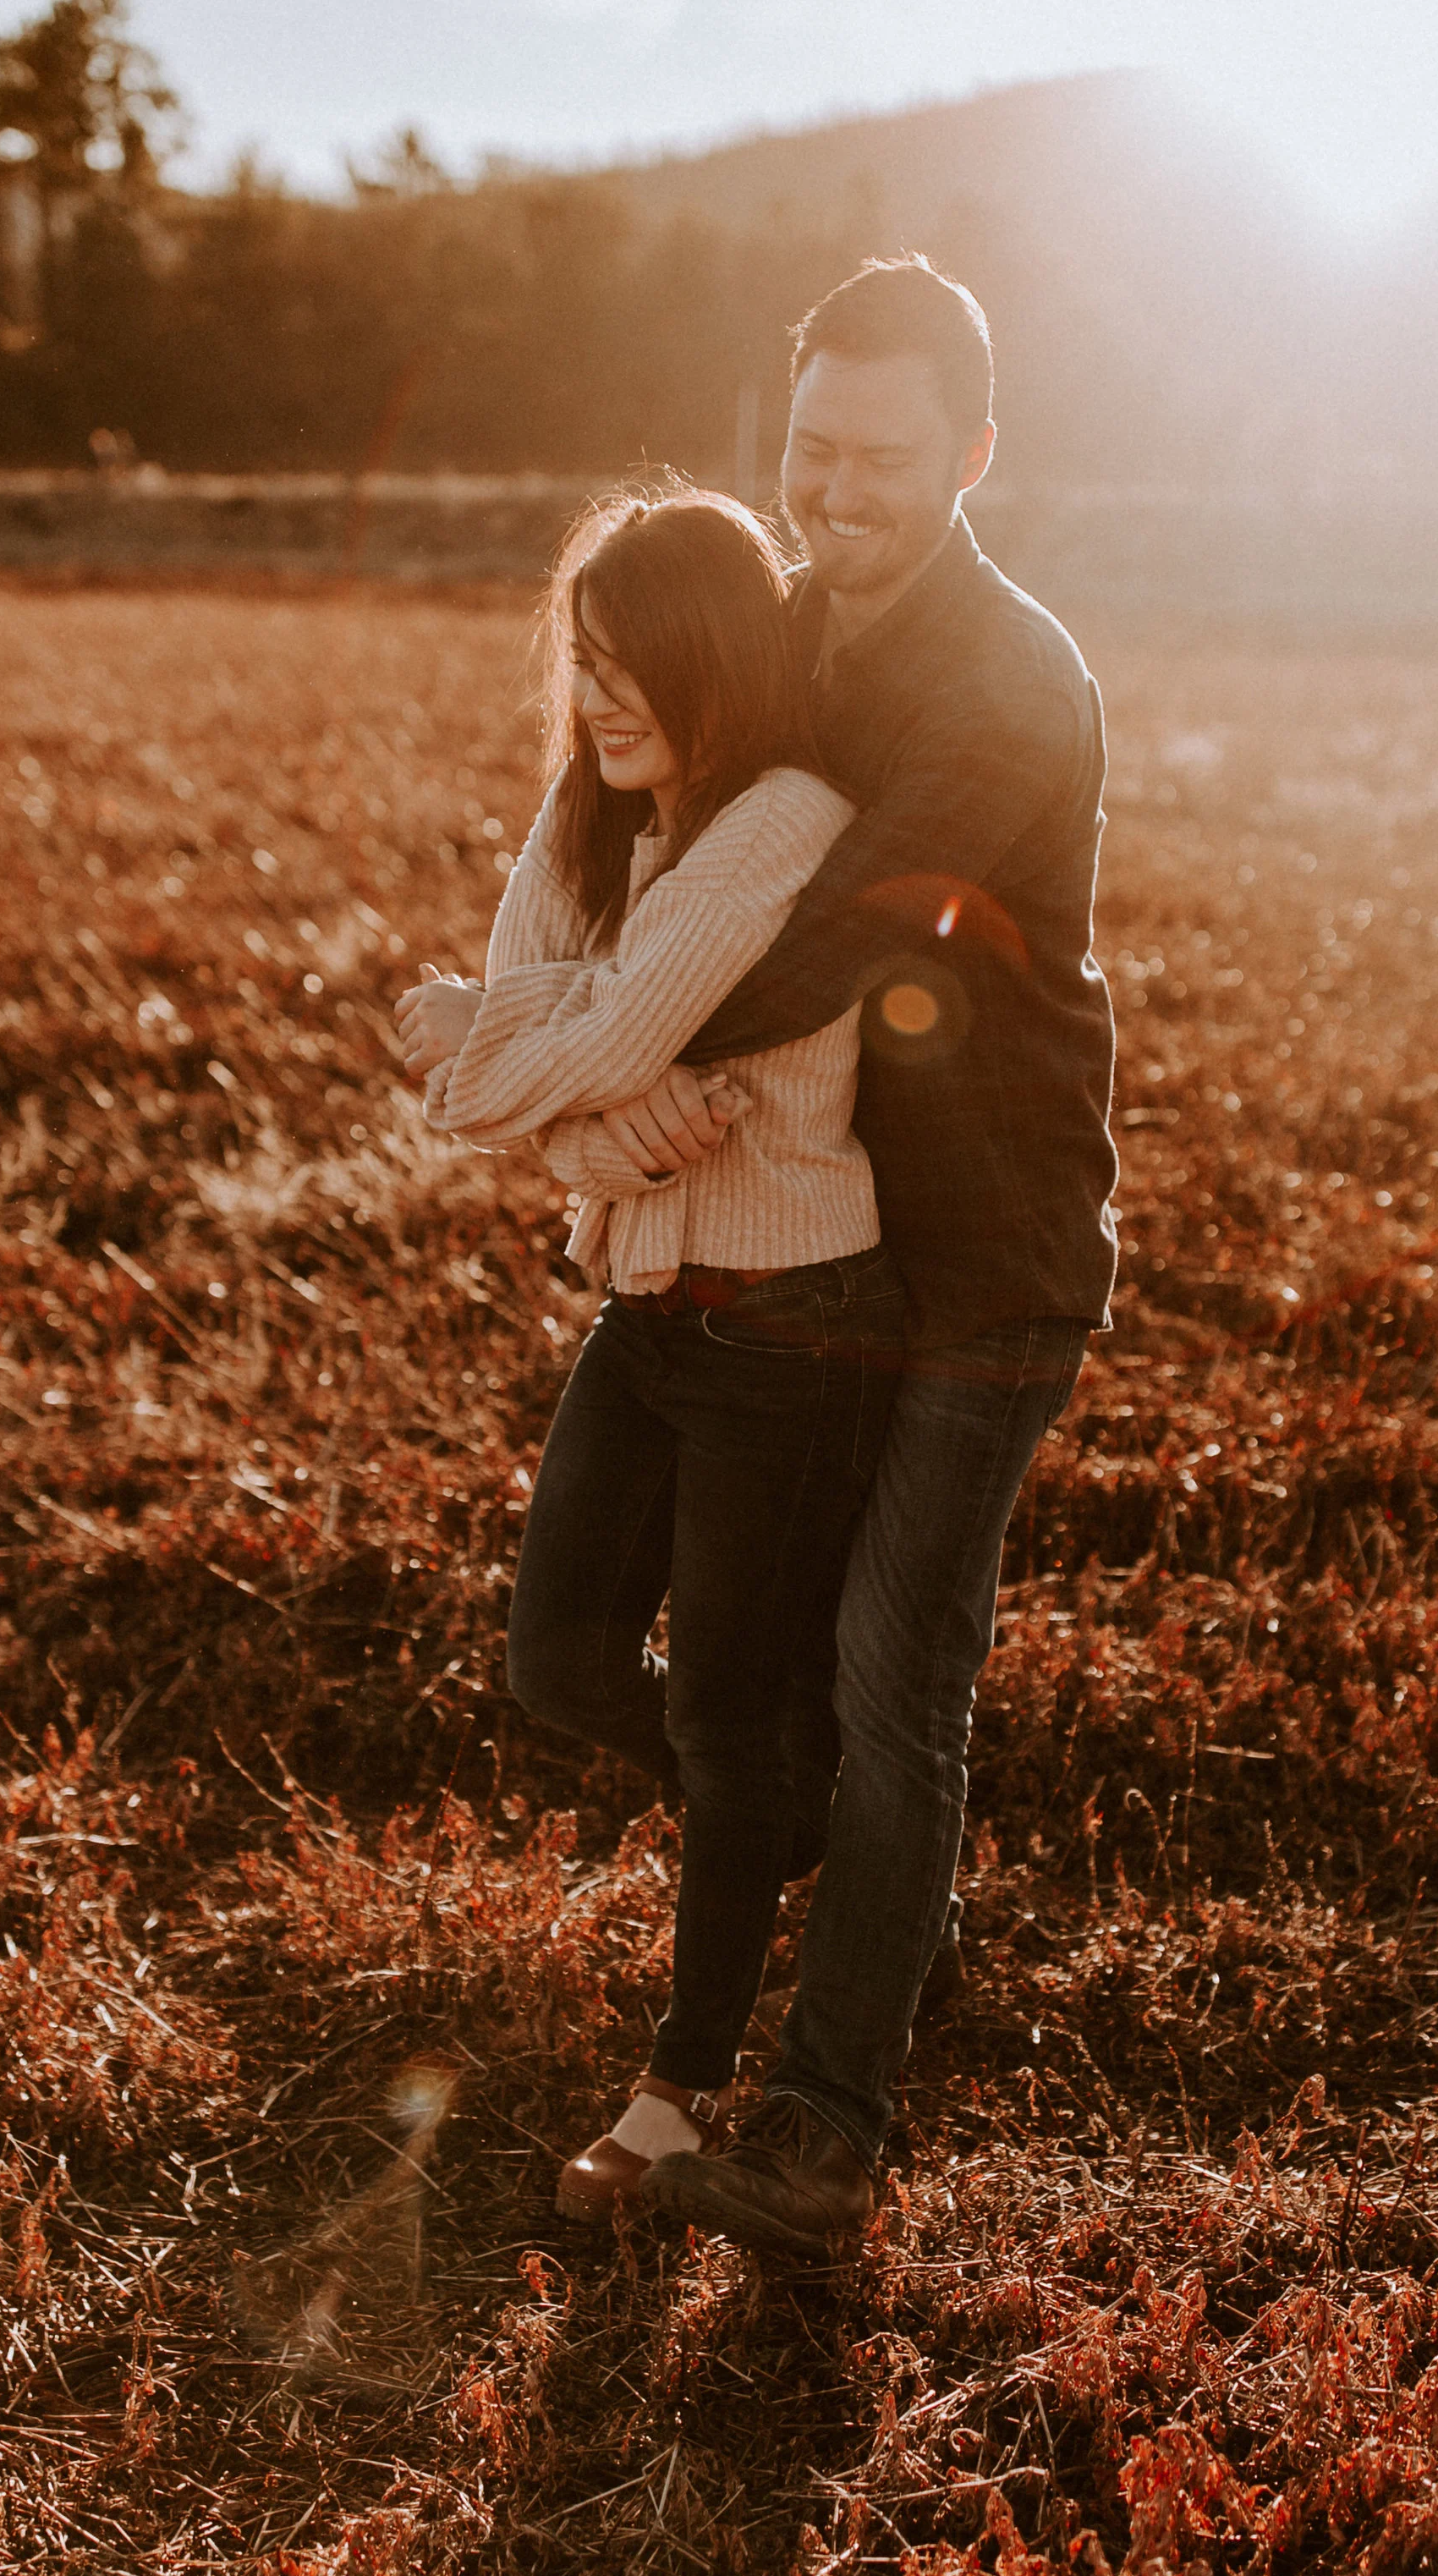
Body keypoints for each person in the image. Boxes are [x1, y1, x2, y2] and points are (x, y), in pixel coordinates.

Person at [633, 257, 1120, 2257]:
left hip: (986, 1248)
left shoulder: (1006, 676)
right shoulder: (783, 624)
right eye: (808, 446)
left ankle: (825, 2119)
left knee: (891, 1668)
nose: (830, 489)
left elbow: (840, 930)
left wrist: (591, 1048)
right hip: (815, 1230)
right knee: (758, 1670)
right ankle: (886, 1927)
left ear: (974, 457)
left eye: (881, 459)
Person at [393, 487, 906, 2222]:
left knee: (716, 1710)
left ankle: (681, 2092)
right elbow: (569, 1082)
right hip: (646, 1299)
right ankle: (803, 1839)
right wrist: (587, 1129)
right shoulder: (586, 816)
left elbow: (550, 1037)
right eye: (582, 665)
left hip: (789, 1325)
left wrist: (484, 1041)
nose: (599, 702)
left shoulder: (783, 819)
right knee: (556, 1659)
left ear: (712, 656)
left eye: (633, 667)